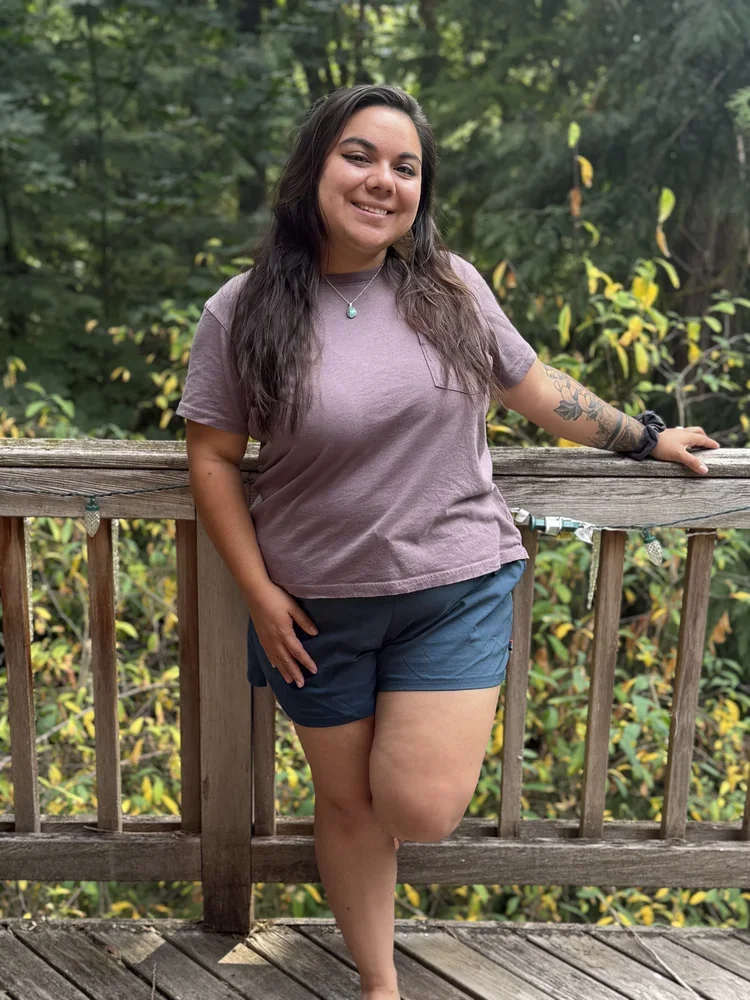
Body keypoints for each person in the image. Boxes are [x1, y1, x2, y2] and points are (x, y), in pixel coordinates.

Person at [175, 83, 720, 1000]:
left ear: (421, 189)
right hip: (313, 610)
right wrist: (261, 595)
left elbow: (534, 385)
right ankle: (379, 983)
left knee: (417, 807)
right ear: (314, 165)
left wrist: (644, 435)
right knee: (346, 807)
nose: (382, 180)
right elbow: (214, 460)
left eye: (406, 166)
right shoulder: (243, 309)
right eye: (360, 155)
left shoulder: (448, 287)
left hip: (453, 584)